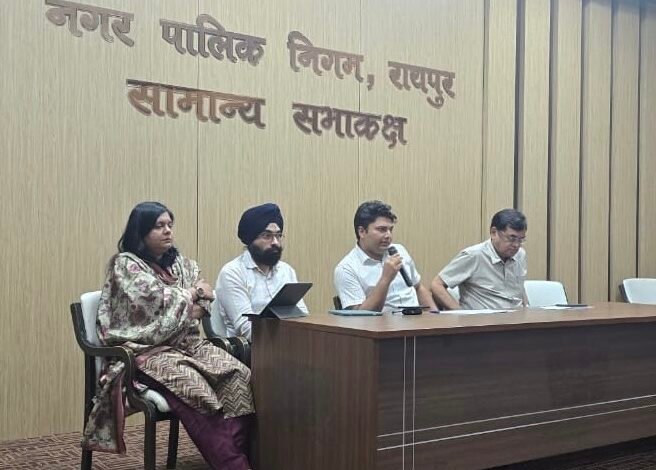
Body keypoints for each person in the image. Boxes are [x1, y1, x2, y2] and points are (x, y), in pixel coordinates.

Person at [82, 202, 255, 470]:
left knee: (239, 376)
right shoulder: (125, 264)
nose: (167, 231)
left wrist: (184, 303)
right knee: (196, 390)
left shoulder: (181, 263)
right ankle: (234, 464)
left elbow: (203, 300)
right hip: (145, 352)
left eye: (170, 225)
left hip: (188, 345)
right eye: (159, 226)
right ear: (141, 231)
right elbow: (155, 299)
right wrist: (192, 294)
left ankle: (232, 457)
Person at [213, 203, 307, 341]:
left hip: (290, 344)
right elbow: (247, 329)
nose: (275, 242)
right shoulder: (232, 273)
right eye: (267, 236)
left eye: (278, 235)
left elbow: (302, 315)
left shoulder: (286, 271)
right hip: (252, 349)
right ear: (251, 240)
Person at [334, 200, 436, 312]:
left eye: (390, 230)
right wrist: (385, 279)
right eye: (382, 230)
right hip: (384, 322)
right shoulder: (346, 269)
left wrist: (436, 315)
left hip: (416, 319)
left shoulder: (399, 250)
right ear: (362, 232)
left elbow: (418, 287)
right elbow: (360, 316)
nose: (388, 235)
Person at [431, 208, 528, 310]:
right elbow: (436, 285)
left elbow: (519, 289)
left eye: (521, 240)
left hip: (516, 317)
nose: (516, 245)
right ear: (494, 232)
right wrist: (459, 313)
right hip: (484, 318)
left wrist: (527, 309)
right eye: (511, 238)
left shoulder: (520, 254)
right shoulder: (474, 255)